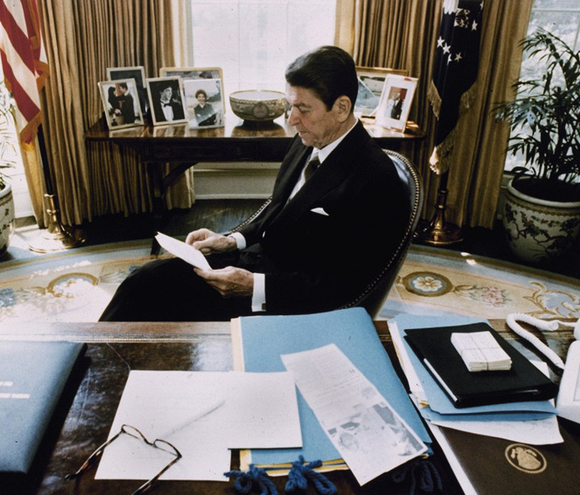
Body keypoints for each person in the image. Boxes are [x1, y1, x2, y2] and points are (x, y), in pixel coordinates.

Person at [100, 45, 409, 322]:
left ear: (341, 108)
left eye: (303, 109)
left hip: (283, 299)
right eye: (291, 106)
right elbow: (279, 207)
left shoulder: (377, 178)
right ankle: (92, 356)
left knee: (150, 292)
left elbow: (347, 286)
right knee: (143, 282)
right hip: (253, 264)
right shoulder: (310, 138)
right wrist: (231, 240)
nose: (291, 119)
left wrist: (254, 287)